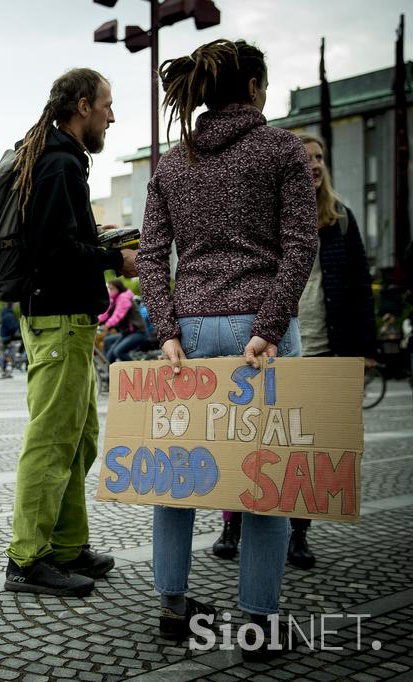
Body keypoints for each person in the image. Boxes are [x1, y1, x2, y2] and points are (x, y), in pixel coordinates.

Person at [136, 39, 317, 660]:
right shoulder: (280, 147)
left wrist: (165, 330)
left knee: (176, 477)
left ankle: (172, 607)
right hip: (256, 332)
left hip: (189, 331)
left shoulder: (173, 164)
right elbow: (300, 245)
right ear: (257, 87)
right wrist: (268, 324)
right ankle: (259, 623)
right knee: (266, 479)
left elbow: (152, 256)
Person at [3, 67, 135, 598]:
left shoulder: (56, 160)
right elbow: (54, 255)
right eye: (107, 104)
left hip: (66, 318)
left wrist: (95, 237)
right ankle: (27, 558)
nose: (111, 114)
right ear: (82, 106)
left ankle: (66, 545)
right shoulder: (59, 164)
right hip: (57, 317)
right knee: (51, 441)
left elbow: (55, 240)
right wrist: (114, 257)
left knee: (79, 441)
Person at [284, 132, 377, 570]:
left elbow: (360, 285)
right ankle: (236, 523)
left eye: (319, 157)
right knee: (268, 444)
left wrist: (365, 349)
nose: (315, 165)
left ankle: (299, 532)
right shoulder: (275, 215)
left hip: (325, 346)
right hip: (282, 344)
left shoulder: (340, 218)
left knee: (310, 448)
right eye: (305, 159)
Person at [98, 279, 148, 363]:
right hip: (127, 333)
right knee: (110, 354)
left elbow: (118, 314)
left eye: (112, 289)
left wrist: (107, 325)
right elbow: (106, 313)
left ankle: (135, 371)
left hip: (138, 332)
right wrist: (95, 321)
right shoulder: (114, 299)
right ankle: (110, 374)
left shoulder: (123, 298)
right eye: (109, 289)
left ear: (118, 288)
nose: (110, 291)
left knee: (118, 351)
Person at [0, 303, 22, 376]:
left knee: (7, 352)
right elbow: (12, 328)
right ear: (12, 306)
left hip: (4, 336)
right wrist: (18, 324)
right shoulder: (9, 315)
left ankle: (4, 367)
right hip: (8, 336)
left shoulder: (5, 313)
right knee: (9, 353)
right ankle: (19, 354)